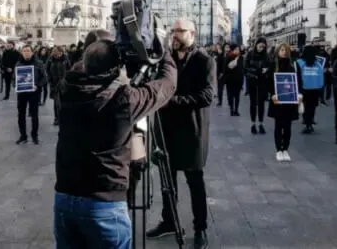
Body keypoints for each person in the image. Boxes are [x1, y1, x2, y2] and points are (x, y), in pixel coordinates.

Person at [54, 30, 178, 249]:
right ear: (116, 68)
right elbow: (167, 85)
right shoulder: (123, 100)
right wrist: (163, 50)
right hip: (104, 203)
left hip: (65, 197)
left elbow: (81, 71)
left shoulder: (66, 88)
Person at [147, 19, 216, 249]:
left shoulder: (204, 61)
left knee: (195, 182)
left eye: (180, 31)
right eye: (173, 30)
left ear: (192, 33)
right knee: (168, 181)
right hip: (166, 130)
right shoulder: (166, 60)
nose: (175, 35)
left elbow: (206, 95)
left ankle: (200, 228)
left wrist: (173, 101)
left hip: (192, 131)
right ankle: (169, 221)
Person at [268, 43, 303, 162]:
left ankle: (285, 149)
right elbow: (268, 82)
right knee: (278, 126)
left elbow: (299, 81)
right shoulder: (273, 65)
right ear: (278, 51)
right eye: (282, 50)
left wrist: (300, 95)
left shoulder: (294, 64)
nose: (284, 52)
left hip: (290, 100)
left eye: (286, 50)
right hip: (277, 100)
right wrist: (272, 94)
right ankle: (278, 150)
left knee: (288, 126)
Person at [15, 45, 47, 144]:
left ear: (32, 52)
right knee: (21, 114)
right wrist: (15, 85)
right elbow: (14, 78)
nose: (26, 52)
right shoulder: (18, 64)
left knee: (34, 115)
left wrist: (37, 85)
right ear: (22, 53)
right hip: (22, 93)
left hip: (34, 93)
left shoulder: (39, 63)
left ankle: (34, 135)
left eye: (28, 51)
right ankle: (23, 136)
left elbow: (45, 78)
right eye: (24, 51)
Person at [296, 45, 324, 135]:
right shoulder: (318, 63)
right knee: (312, 106)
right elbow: (321, 76)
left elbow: (297, 76)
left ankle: (307, 123)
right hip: (315, 88)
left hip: (304, 88)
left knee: (305, 106)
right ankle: (310, 121)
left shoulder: (299, 62)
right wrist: (321, 87)